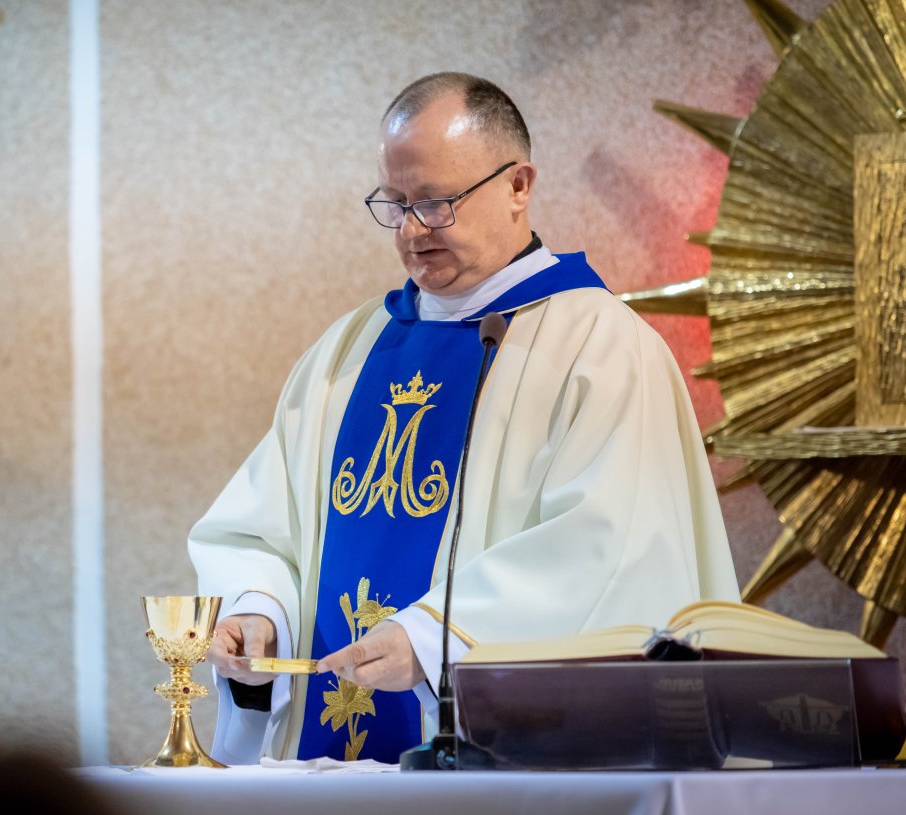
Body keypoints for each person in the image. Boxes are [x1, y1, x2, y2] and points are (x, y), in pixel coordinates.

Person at [190, 72, 739, 765]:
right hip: (325, 766)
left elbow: (609, 551)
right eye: (395, 204)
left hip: (510, 779)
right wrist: (259, 610)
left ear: (518, 186)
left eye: (436, 202)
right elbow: (264, 525)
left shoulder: (601, 347)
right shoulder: (349, 351)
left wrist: (433, 639)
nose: (412, 230)